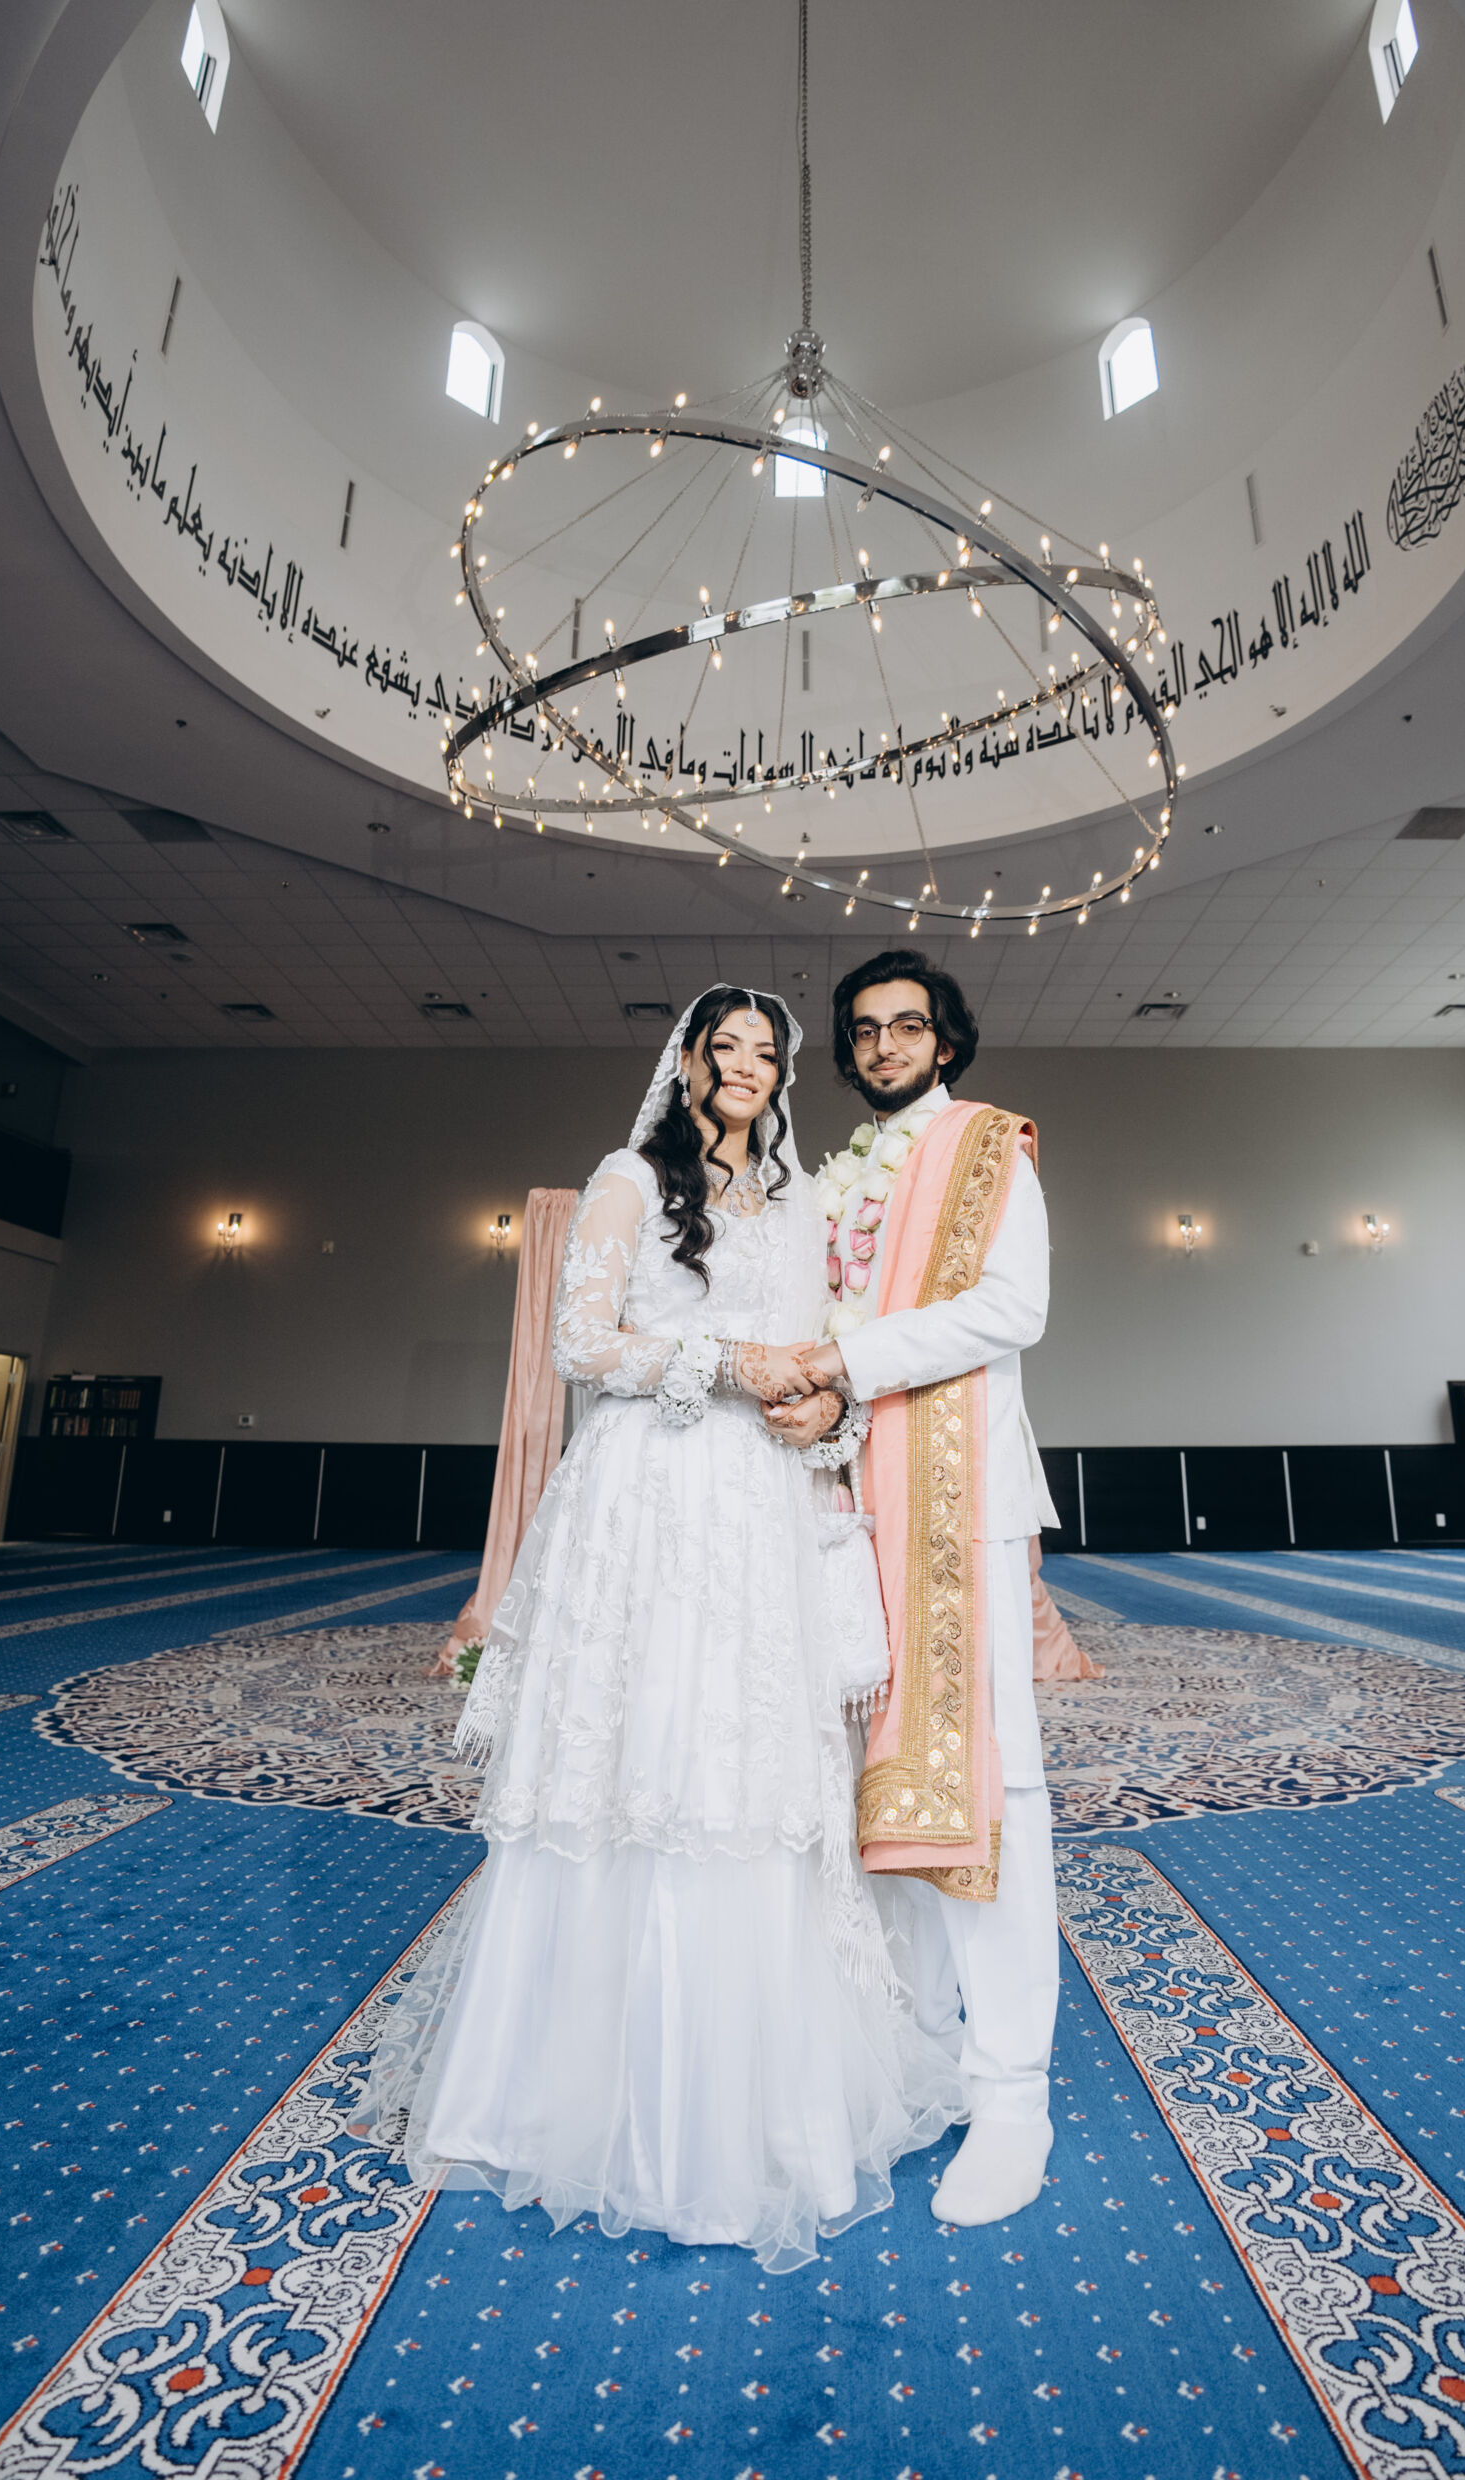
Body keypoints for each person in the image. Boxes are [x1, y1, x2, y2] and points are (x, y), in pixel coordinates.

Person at [346, 986, 967, 2272]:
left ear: (783, 1075)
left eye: (767, 1053)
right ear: (687, 1062)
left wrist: (827, 1412)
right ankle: (566, 2099)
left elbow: (829, 1349)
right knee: (629, 1759)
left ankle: (752, 2111)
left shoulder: (802, 1201)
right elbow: (581, 1344)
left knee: (740, 1765)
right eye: (724, 1047)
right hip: (642, 1494)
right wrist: (725, 1366)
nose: (746, 1066)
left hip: (759, 1504)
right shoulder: (628, 1178)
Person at [765, 950, 1059, 2227]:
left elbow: (1014, 1308)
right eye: (866, 1029)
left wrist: (846, 1361)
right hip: (850, 1503)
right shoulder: (839, 1177)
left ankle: (1014, 2098)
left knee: (988, 1787)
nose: (886, 1045)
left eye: (908, 1026)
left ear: (946, 1041)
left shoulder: (988, 1145)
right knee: (875, 1784)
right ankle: (922, 2057)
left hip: (960, 1504)